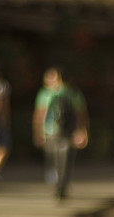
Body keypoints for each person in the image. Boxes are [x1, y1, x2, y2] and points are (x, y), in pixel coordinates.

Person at [33, 66, 88, 200]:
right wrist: (83, 131)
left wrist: (38, 132)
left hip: (50, 131)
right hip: (69, 131)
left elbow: (39, 114)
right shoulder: (74, 93)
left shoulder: (46, 94)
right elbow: (81, 114)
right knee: (66, 160)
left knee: (53, 159)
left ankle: (56, 184)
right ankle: (62, 186)